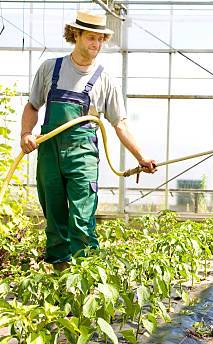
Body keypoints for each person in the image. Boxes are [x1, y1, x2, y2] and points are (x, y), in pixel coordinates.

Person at [20, 10, 156, 271]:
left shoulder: (104, 80)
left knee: (81, 219)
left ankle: (86, 279)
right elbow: (33, 106)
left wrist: (141, 157)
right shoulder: (51, 68)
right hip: (49, 151)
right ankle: (60, 279)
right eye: (91, 38)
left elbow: (120, 123)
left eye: (100, 40)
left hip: (82, 155)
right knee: (55, 218)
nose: (96, 44)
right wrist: (26, 134)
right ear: (76, 35)